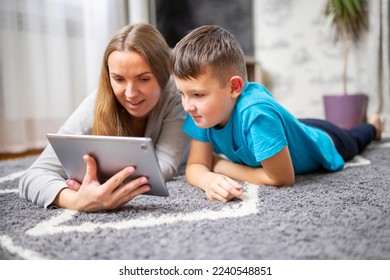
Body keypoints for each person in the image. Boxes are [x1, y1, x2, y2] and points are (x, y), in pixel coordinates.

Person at [169, 25, 383, 203]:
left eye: (197, 94)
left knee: (357, 137)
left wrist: (221, 166)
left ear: (234, 87)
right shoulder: (200, 113)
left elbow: (280, 178)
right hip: (290, 129)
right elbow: (196, 165)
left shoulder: (256, 114)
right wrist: (207, 179)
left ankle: (374, 125)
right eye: (182, 94)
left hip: (328, 139)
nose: (187, 106)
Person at [19, 24, 189, 212]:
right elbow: (33, 176)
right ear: (108, 77)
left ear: (164, 76)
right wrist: (76, 201)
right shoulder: (94, 107)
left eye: (144, 79)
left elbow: (165, 163)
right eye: (118, 79)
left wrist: (107, 179)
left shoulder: (179, 92)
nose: (131, 93)